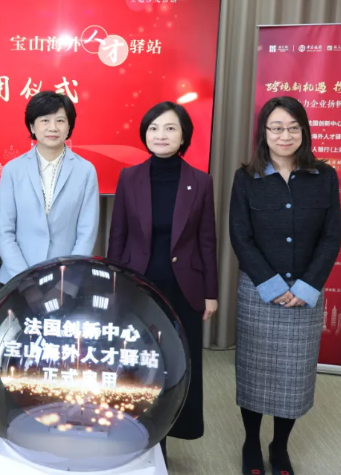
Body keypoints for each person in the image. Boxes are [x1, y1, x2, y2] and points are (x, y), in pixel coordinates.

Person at [229, 96, 341, 475]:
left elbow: (331, 237)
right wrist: (272, 285)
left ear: (304, 131)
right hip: (260, 292)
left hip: (305, 295)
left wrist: (307, 287)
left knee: (294, 379)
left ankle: (279, 446)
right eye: (276, 127)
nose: (285, 135)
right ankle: (251, 441)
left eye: (293, 127)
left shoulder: (324, 176)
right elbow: (240, 237)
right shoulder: (246, 178)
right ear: (264, 132)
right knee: (254, 373)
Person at [107, 101, 218, 464]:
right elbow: (118, 236)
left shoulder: (200, 181)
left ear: (184, 135)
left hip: (183, 290)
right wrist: (114, 285)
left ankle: (167, 438)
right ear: (145, 134)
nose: (161, 135)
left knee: (177, 365)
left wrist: (211, 294)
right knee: (137, 366)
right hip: (139, 288)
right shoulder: (130, 178)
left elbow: (206, 241)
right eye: (154, 128)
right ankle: (138, 436)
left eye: (170, 128)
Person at [0, 91, 99, 283]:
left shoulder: (85, 170)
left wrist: (67, 279)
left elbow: (87, 232)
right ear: (32, 126)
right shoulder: (13, 170)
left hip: (66, 281)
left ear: (69, 127)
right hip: (17, 280)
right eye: (45, 120)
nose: (53, 127)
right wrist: (25, 280)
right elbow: (4, 231)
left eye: (60, 121)